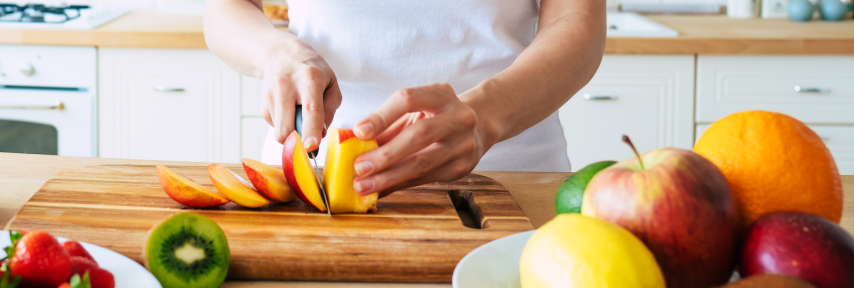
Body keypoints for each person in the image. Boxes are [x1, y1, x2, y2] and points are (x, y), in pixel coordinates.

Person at [205, 0, 604, 196]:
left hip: (508, 178)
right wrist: (276, 53)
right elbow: (226, 8)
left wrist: (485, 117)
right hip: (312, 174)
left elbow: (577, 22)